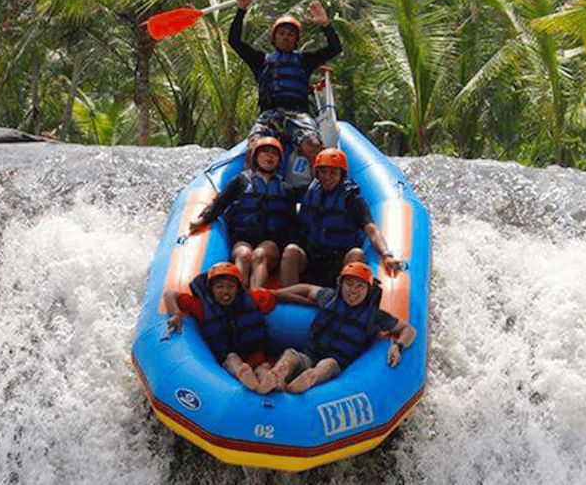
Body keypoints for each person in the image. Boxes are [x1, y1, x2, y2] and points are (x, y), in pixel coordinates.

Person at [258, 262, 416, 394]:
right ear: (341, 284)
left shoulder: (374, 316)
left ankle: (306, 381)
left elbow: (408, 329)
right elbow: (306, 289)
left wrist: (398, 346)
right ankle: (277, 376)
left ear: (368, 291)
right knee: (290, 355)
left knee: (327, 364)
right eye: (349, 284)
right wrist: (274, 293)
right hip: (309, 355)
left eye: (360, 286)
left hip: (336, 364)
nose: (353, 290)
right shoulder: (329, 298)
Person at [229, 0, 341, 162]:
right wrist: (241, 10)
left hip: (298, 115)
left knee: (312, 145)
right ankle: (252, 184)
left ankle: (319, 185)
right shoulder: (260, 61)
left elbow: (335, 48)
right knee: (254, 147)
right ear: (274, 38)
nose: (285, 37)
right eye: (281, 33)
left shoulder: (305, 60)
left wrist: (325, 24)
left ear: (296, 40)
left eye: (290, 34)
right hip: (269, 115)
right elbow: (234, 41)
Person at [279, 148, 402, 287]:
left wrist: (386, 254)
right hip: (312, 258)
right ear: (317, 173)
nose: (328, 177)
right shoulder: (309, 193)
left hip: (339, 261)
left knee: (356, 254)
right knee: (291, 251)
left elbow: (371, 228)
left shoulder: (352, 200)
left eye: (333, 172)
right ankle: (287, 299)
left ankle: (343, 301)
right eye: (323, 172)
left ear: (341, 175)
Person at [190, 136, 295, 289]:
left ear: (279, 160)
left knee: (260, 254)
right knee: (243, 254)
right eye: (265, 153)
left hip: (271, 242)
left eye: (274, 154)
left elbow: (292, 221)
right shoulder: (241, 181)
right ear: (256, 157)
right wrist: (203, 220)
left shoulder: (286, 189)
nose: (269, 157)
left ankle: (256, 295)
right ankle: (237, 295)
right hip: (243, 238)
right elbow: (220, 203)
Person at [163, 262, 277, 392]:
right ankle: (244, 374)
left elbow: (275, 296)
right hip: (227, 359)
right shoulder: (201, 307)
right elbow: (170, 294)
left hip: (256, 358)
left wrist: (304, 297)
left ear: (238, 289)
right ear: (211, 289)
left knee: (263, 368)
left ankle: (266, 380)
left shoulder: (252, 299)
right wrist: (176, 314)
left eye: (231, 287)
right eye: (220, 287)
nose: (226, 292)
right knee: (232, 358)